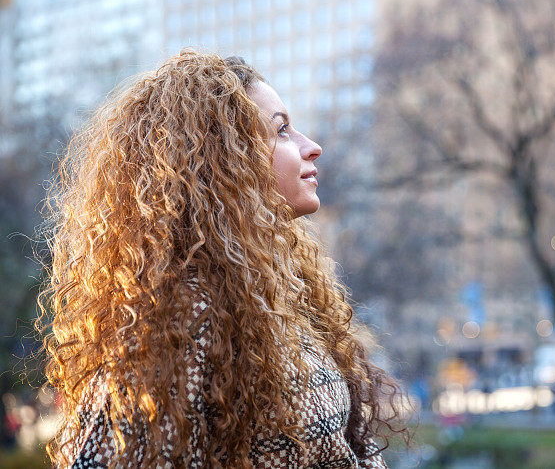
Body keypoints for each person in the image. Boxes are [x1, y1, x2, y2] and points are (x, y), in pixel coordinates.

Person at [36, 49, 410, 468]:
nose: (312, 147)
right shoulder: (183, 310)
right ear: (225, 157)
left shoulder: (279, 290)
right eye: (282, 130)